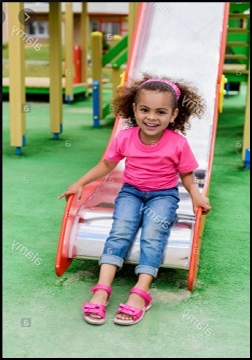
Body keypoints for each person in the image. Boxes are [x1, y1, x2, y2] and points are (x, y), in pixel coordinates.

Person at [58, 73, 211, 326]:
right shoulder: (125, 137)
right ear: (134, 110)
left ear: (173, 115)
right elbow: (107, 164)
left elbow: (186, 174)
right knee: (120, 231)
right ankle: (102, 288)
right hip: (131, 192)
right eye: (145, 110)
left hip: (163, 196)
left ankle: (141, 292)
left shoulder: (178, 143)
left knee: (153, 233)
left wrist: (196, 194)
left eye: (161, 112)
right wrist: (80, 182)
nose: (152, 117)